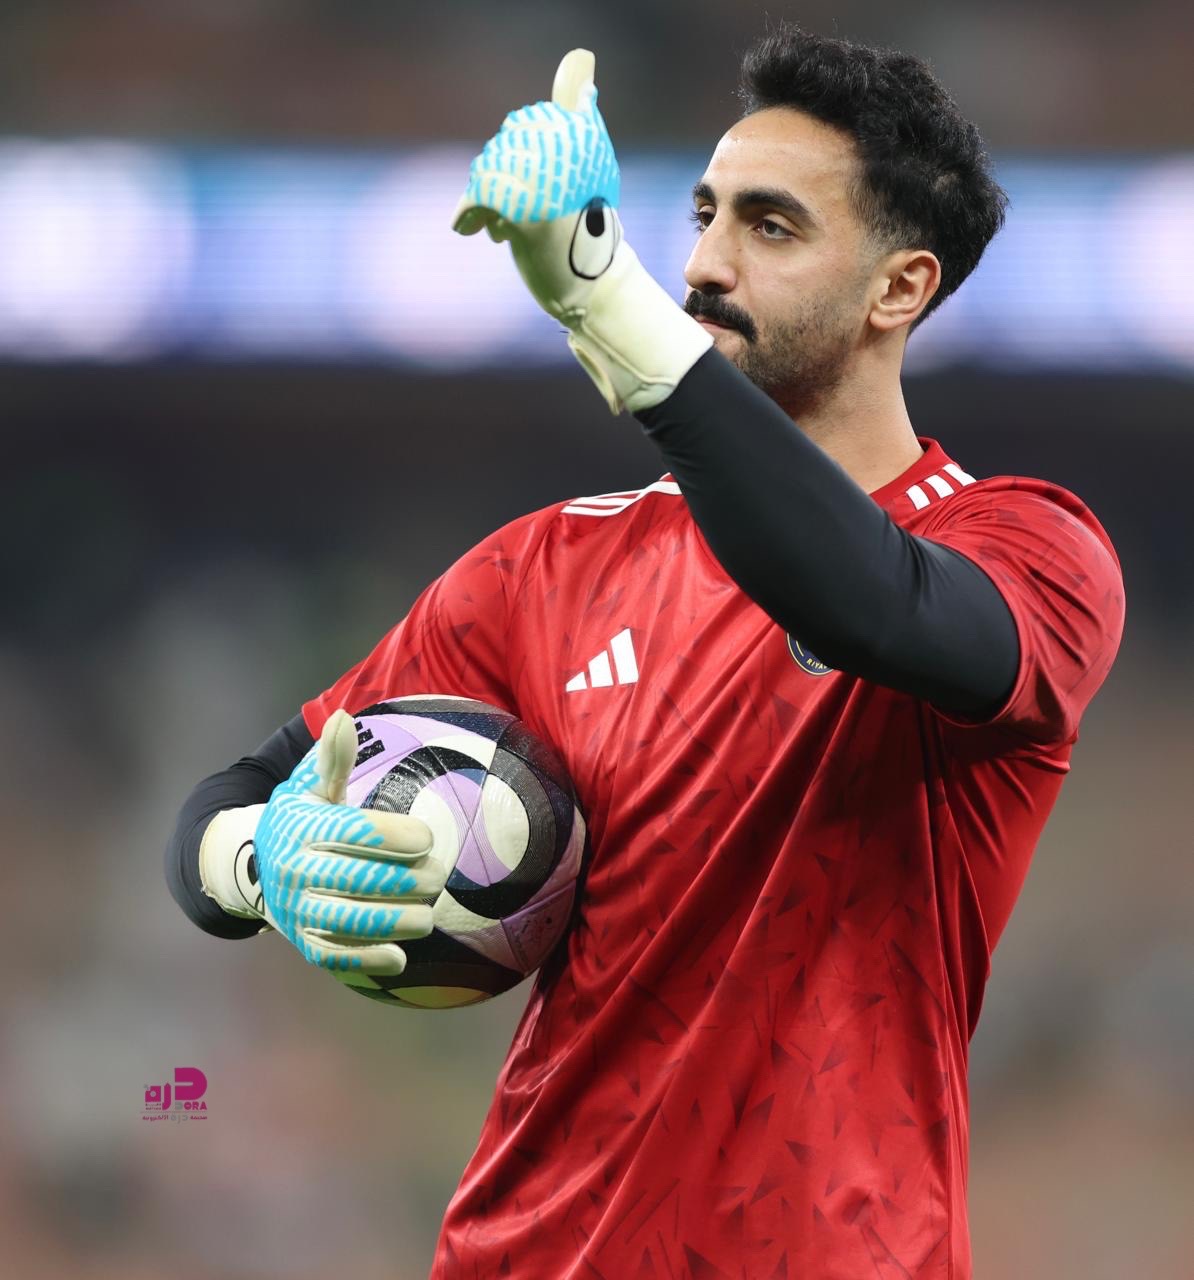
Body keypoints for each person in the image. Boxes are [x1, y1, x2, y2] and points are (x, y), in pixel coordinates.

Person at [168, 25, 1125, 1279]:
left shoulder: (1030, 548)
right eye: (704, 214)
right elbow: (228, 800)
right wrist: (262, 861)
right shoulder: (548, 569)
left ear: (898, 289)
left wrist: (606, 300)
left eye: (771, 227)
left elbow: (869, 603)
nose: (706, 263)